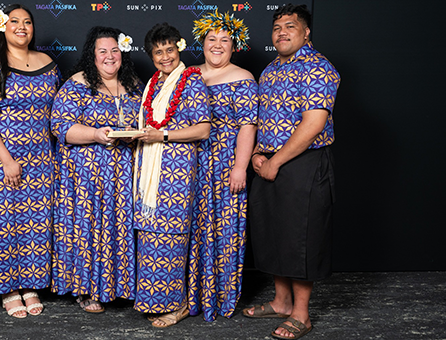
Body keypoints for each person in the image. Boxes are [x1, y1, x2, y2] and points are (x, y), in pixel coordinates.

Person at [242, 4, 340, 340]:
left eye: (290, 26)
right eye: (277, 28)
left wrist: (276, 160)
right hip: (268, 161)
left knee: (300, 237)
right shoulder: (269, 71)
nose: (282, 33)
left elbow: (313, 124)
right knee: (274, 233)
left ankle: (301, 314)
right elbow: (262, 121)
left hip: (303, 163)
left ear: (306, 31)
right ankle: (281, 301)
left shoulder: (317, 68)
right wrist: (257, 153)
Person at [0, 4, 59, 318]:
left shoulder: (48, 63)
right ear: (2, 27)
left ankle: (30, 283)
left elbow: (58, 112)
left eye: (27, 22)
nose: (22, 27)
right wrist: (6, 159)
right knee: (1, 225)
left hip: (42, 160)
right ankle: (7, 288)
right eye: (14, 21)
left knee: (36, 223)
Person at [51, 26, 143, 313]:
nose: (109, 56)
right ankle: (86, 289)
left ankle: (119, 286)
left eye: (115, 50)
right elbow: (60, 127)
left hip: (124, 175)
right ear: (92, 56)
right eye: (102, 51)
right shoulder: (77, 84)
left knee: (119, 228)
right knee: (90, 230)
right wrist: (96, 134)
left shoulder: (134, 84)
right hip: (87, 177)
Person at [131, 23, 210, 328]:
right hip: (150, 169)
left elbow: (203, 129)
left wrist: (162, 135)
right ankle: (154, 299)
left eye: (169, 49)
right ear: (151, 56)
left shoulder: (191, 81)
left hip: (176, 172)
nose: (165, 56)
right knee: (151, 237)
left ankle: (179, 305)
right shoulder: (154, 82)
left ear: (179, 49)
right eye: (158, 52)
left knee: (172, 239)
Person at [187, 10, 257, 322]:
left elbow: (247, 126)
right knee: (192, 229)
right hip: (189, 165)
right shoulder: (188, 74)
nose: (217, 45)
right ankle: (189, 297)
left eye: (224, 40)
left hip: (226, 163)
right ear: (202, 43)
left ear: (234, 45)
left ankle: (219, 298)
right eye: (211, 39)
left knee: (223, 230)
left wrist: (240, 167)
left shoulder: (242, 78)